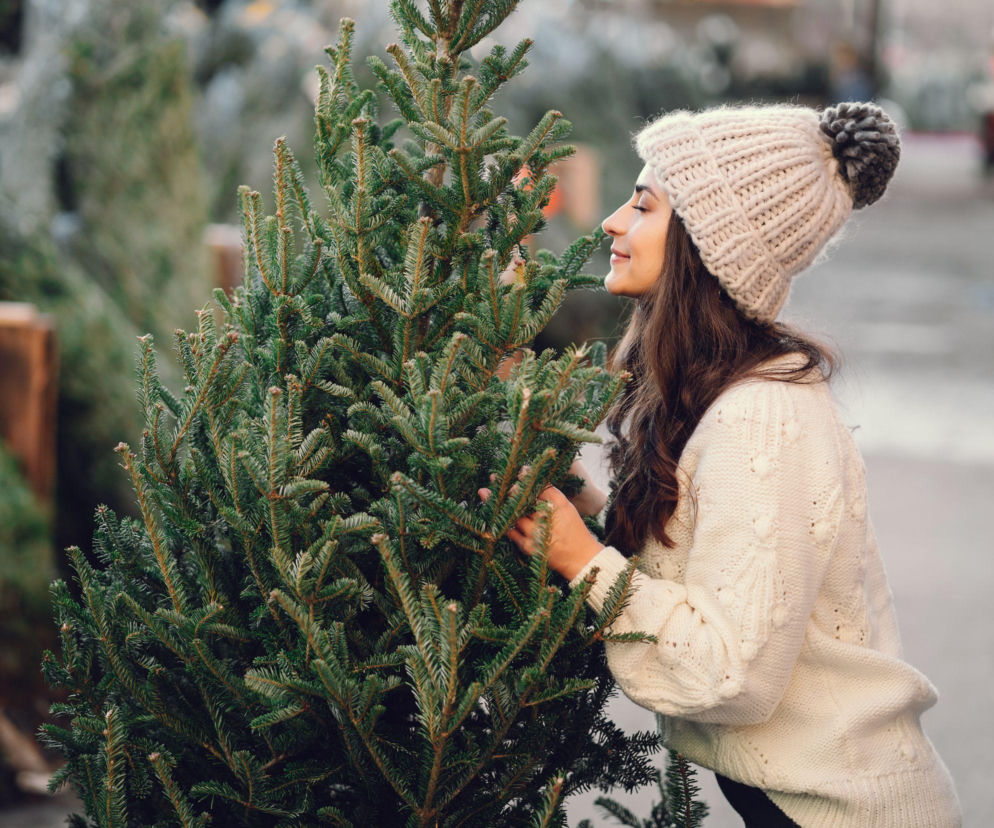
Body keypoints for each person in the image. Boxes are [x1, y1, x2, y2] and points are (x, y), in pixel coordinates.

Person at [478, 101, 962, 827]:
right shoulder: (719, 393)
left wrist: (582, 559)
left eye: (643, 207)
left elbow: (728, 668)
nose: (613, 221)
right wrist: (580, 506)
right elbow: (697, 565)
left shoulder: (762, 419)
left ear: (708, 243)